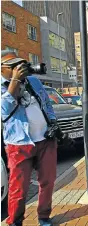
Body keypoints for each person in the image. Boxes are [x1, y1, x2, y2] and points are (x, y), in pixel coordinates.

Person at [1, 50, 57, 226]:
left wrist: (53, 123)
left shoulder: (33, 81)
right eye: (14, 66)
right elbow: (3, 111)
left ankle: (44, 216)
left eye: (21, 64)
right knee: (19, 188)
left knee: (48, 181)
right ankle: (15, 221)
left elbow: (46, 103)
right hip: (19, 144)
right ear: (2, 68)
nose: (20, 68)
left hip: (45, 140)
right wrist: (15, 82)